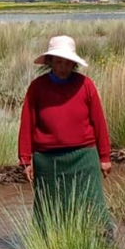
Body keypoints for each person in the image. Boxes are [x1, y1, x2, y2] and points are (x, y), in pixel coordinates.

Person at [18, 35, 112, 230]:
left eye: (68, 62)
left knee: (92, 205)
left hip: (84, 157)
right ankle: (49, 248)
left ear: (74, 64)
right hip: (47, 160)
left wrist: (104, 157)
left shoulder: (86, 85)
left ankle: (100, 243)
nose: (63, 67)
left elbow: (99, 122)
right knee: (48, 209)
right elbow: (27, 123)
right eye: (59, 62)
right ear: (50, 62)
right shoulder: (37, 88)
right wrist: (25, 159)